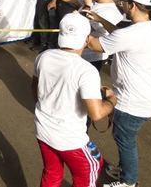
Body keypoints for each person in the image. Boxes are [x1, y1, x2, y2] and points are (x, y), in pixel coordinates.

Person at [86, 0, 151, 187]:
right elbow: (118, 33)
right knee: (124, 138)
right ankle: (126, 170)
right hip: (142, 96)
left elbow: (94, 44)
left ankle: (129, 181)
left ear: (132, 5)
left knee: (124, 139)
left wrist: (76, 28)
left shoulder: (130, 34)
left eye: (124, 1)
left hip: (133, 101)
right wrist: (99, 19)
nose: (121, 3)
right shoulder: (145, 27)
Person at [33, 12, 116, 187]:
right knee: (92, 170)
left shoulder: (43, 56)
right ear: (87, 39)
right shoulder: (87, 71)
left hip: (43, 129)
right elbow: (96, 114)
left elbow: (36, 90)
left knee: (52, 172)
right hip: (70, 138)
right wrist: (111, 101)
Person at [39, 0, 122, 71]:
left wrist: (86, 7)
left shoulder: (110, 12)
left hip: (89, 57)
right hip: (73, 50)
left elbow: (82, 28)